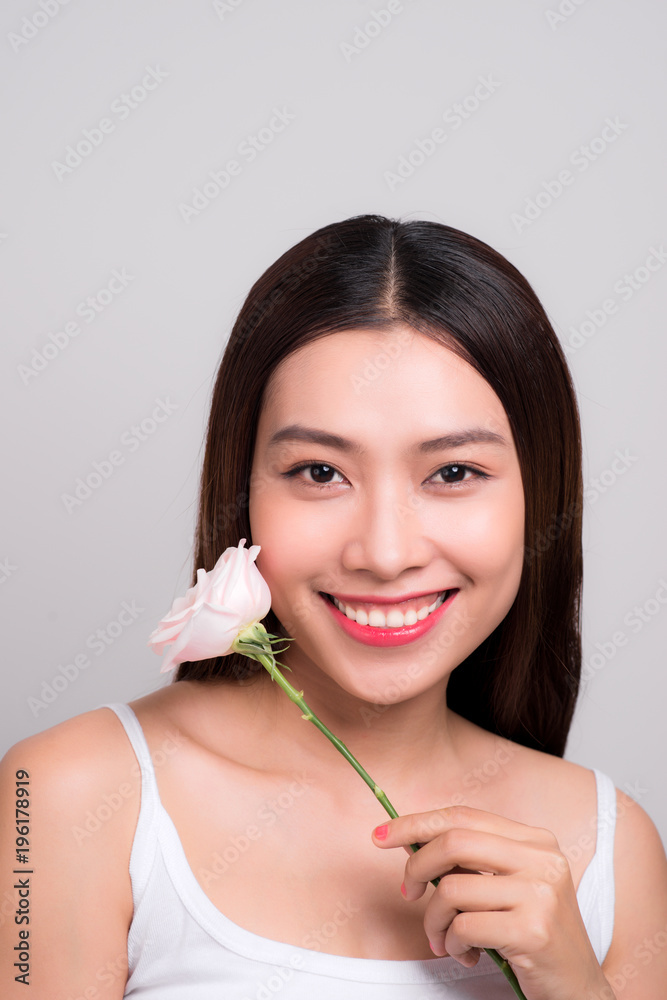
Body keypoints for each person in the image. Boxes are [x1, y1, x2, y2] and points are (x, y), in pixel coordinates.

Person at [1, 215, 666, 999]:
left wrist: (572, 985)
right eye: (319, 472)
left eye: (452, 473)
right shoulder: (63, 796)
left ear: (540, 495)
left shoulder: (611, 844)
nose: (384, 554)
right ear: (242, 491)